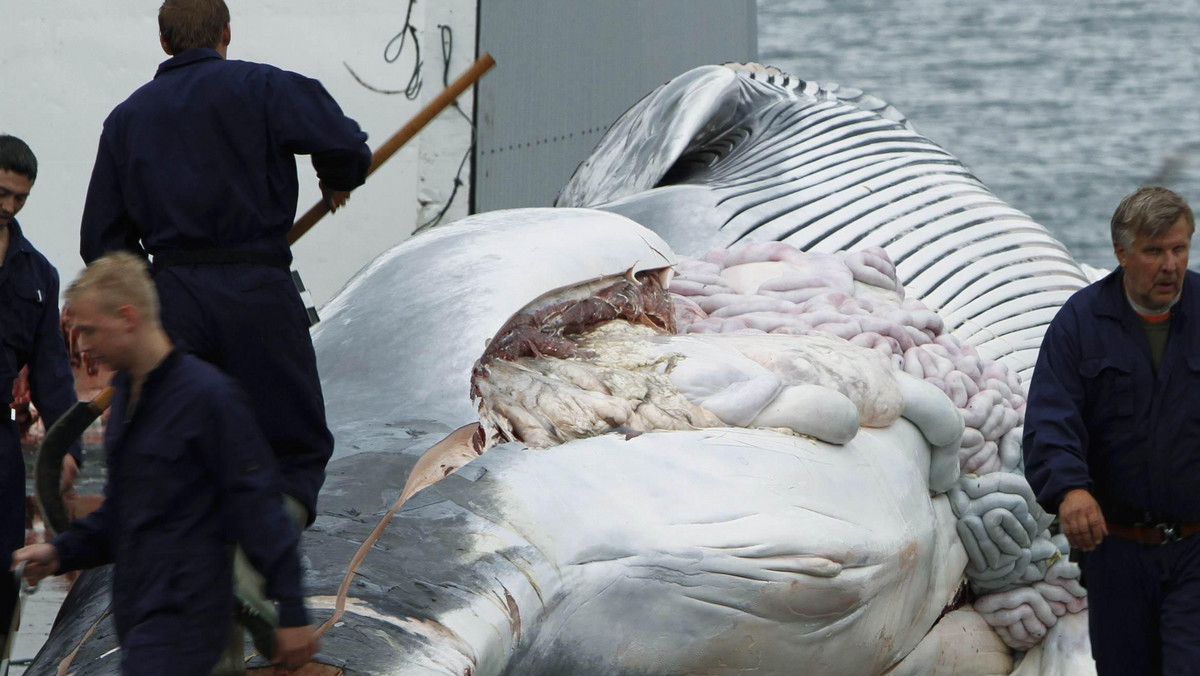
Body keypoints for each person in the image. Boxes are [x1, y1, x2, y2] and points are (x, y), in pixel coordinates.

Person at [78, 0, 371, 658]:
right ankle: (244, 578)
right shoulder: (265, 87)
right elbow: (347, 144)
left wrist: (143, 302)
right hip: (259, 294)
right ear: (225, 34)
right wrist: (336, 180)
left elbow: (101, 241)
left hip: (171, 298)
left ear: (163, 38)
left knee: (179, 456)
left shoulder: (126, 120)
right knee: (292, 451)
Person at [12, 252, 317, 675]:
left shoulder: (208, 398)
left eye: (88, 331)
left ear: (127, 317)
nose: (82, 346)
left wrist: (294, 613)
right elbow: (123, 516)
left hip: (189, 631)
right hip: (142, 627)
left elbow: (261, 512)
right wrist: (59, 550)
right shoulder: (127, 404)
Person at [1024, 185, 1200, 674]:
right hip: (1117, 552)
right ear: (1121, 253)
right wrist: (1071, 490)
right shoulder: (1080, 323)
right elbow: (1051, 418)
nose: (1170, 265)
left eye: (1179, 249)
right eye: (1154, 251)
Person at [0, 135, 82, 650]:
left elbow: (51, 369)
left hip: (0, 445)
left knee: (2, 567)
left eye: (20, 198)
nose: (8, 207)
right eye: (1, 193)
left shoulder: (37, 274)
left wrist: (67, 442)